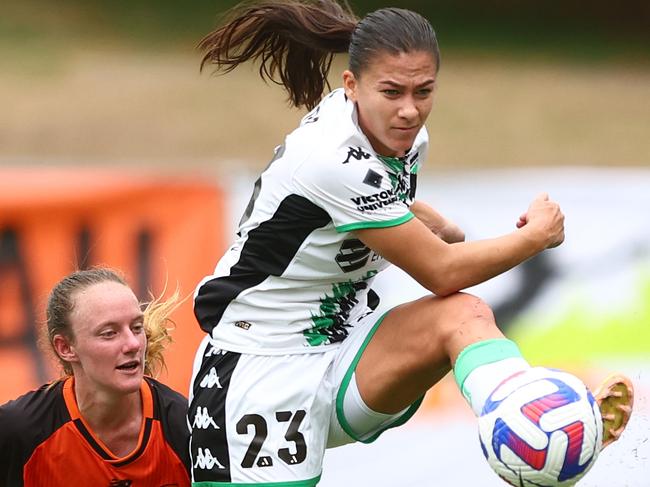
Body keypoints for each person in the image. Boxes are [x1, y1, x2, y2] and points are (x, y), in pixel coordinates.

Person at [188, 1, 634, 485]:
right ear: (351, 85)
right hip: (258, 367)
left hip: (343, 355)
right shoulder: (329, 158)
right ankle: (541, 431)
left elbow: (352, 214)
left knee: (462, 315)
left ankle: (533, 420)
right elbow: (439, 269)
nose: (409, 110)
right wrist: (535, 237)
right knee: (451, 289)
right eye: (392, 91)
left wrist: (424, 221)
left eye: (424, 91)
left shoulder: (400, 136)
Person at [0, 268, 191, 486]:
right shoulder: (17, 431)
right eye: (109, 333)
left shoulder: (185, 426)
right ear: (65, 347)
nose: (133, 344)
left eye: (137, 327)